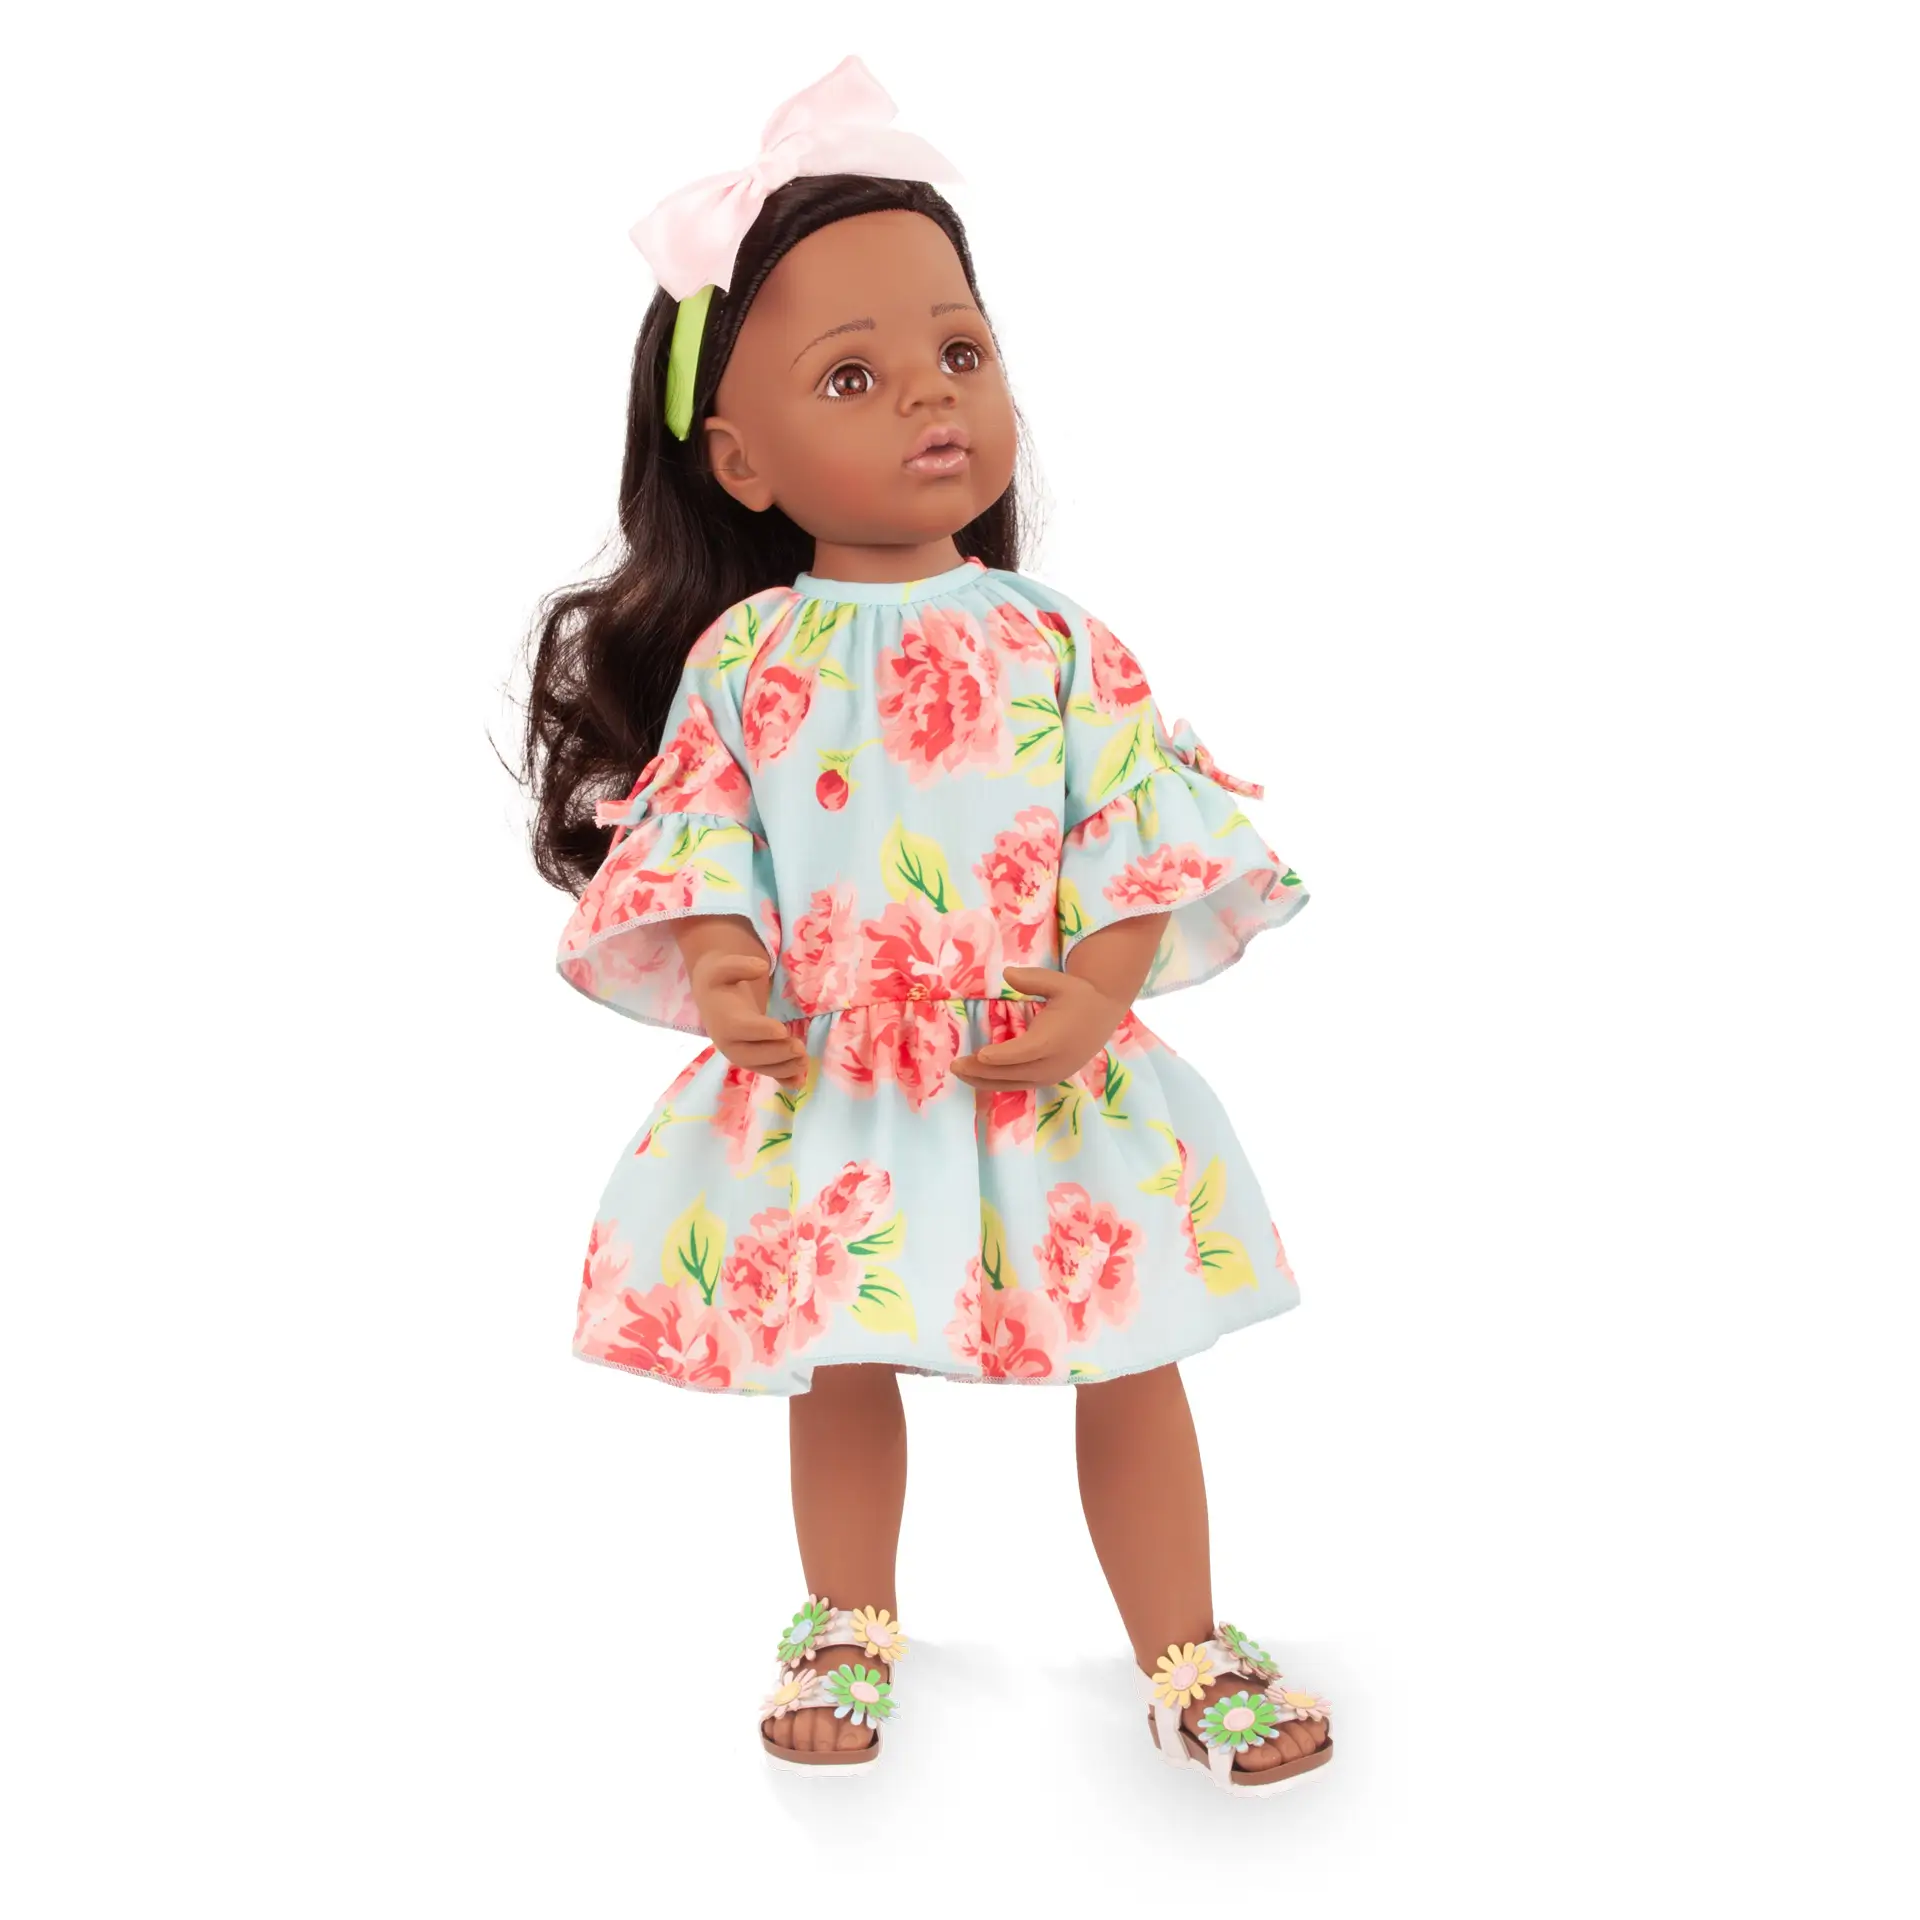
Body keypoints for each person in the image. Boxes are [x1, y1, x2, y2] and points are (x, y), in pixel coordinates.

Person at [519, 55, 1332, 1795]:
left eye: (960, 353)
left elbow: (1134, 834)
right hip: (839, 1072)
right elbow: (706, 835)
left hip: (1041, 1059)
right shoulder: (750, 659)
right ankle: (847, 1616)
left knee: (1132, 1358)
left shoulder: (1054, 642)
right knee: (839, 1355)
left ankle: (1184, 1639)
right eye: (853, 376)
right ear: (740, 459)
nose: (928, 399)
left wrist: (1097, 992)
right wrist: (730, 963)